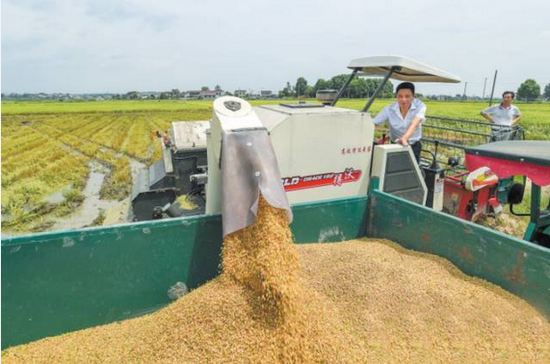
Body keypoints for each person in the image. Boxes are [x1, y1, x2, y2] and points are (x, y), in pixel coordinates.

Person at [373, 82, 426, 163]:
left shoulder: (420, 106)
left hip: (413, 146)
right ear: (396, 96)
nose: (403, 100)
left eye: (407, 96)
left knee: (412, 172)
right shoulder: (389, 109)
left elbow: (415, 123)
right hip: (394, 145)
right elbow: (373, 123)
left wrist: (404, 138)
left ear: (413, 96)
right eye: (400, 96)